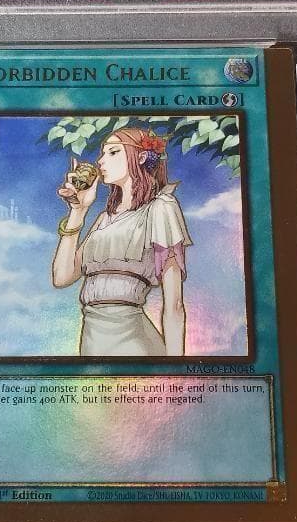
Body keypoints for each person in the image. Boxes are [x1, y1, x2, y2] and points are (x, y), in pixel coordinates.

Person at [51, 127, 192, 356]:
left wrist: (175, 369)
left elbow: (174, 305)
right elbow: (62, 277)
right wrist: (78, 211)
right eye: (102, 153)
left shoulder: (160, 208)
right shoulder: (104, 219)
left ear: (141, 157)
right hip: (92, 342)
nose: (100, 161)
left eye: (113, 152)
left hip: (134, 344)